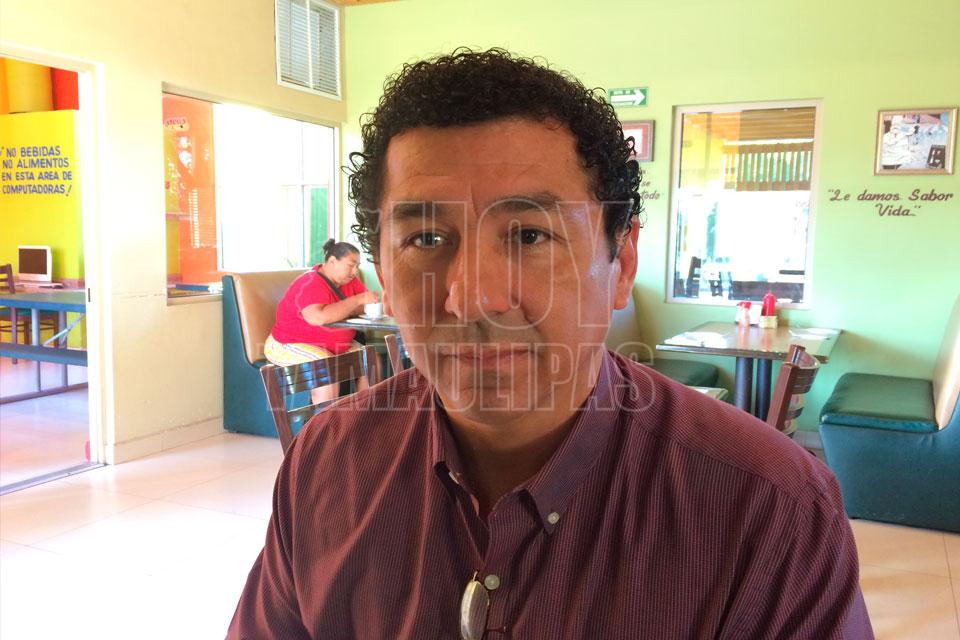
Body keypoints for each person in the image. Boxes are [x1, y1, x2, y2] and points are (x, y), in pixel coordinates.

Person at [229, 49, 873, 639]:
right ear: (385, 281)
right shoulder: (328, 464)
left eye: (530, 235)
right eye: (425, 239)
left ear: (621, 263)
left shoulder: (769, 510)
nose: (474, 298)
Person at [265, 239, 380, 402]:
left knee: (371, 359)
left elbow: (367, 305)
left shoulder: (350, 281)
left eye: (357, 266)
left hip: (333, 345)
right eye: (351, 265)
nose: (355, 271)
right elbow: (318, 317)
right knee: (326, 367)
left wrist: (343, 308)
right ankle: (326, 419)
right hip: (288, 343)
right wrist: (355, 301)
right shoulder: (310, 282)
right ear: (332, 261)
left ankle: (364, 414)